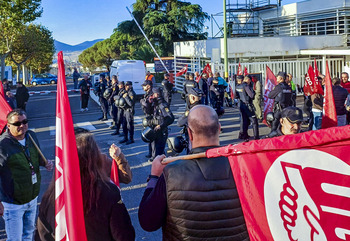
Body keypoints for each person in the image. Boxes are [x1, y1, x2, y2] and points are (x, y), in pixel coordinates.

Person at [138, 105, 249, 240]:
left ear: (190, 134)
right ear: (219, 129)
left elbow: (148, 222)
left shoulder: (171, 173)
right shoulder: (244, 168)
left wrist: (154, 177)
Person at [35, 130, 135, 241]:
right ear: (93, 153)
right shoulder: (108, 193)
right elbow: (124, 235)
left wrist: (119, 158)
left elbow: (42, 234)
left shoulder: (53, 195)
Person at [0, 109, 53, 241]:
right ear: (8, 126)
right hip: (13, 203)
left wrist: (44, 163)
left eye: (25, 122)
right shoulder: (2, 146)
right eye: (17, 124)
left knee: (29, 235)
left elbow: (36, 156)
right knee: (15, 238)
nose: (22, 126)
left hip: (32, 197)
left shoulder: (31, 136)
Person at [146, 87, 174, 162]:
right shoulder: (156, 103)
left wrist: (161, 125)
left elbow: (170, 118)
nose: (152, 95)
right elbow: (149, 112)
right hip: (156, 131)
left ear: (157, 94)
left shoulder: (162, 104)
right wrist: (148, 102)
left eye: (153, 94)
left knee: (159, 153)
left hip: (162, 132)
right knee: (157, 152)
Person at [236, 75, 259, 141]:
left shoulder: (237, 86)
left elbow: (235, 96)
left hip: (241, 105)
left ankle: (244, 135)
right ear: (247, 80)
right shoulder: (246, 86)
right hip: (248, 105)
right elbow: (251, 95)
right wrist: (253, 91)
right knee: (254, 120)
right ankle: (256, 136)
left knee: (245, 120)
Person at [140, 80, 154, 158]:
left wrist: (143, 102)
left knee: (152, 135)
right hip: (148, 116)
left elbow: (149, 106)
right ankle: (150, 152)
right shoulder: (147, 94)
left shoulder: (151, 94)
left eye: (144, 86)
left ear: (148, 86)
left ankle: (154, 154)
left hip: (152, 116)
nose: (143, 87)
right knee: (149, 134)